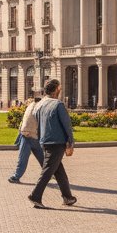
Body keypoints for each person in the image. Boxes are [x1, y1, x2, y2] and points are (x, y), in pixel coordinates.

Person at [27, 78, 77, 209]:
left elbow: (38, 124)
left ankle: (68, 197)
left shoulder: (39, 105)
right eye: (59, 88)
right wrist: (71, 142)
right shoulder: (58, 105)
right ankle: (35, 196)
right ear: (56, 90)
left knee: (59, 171)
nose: (60, 91)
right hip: (57, 143)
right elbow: (67, 125)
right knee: (48, 171)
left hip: (44, 141)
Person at [9, 96, 46, 183]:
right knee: (41, 158)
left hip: (27, 136)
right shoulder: (39, 108)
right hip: (32, 136)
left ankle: (16, 176)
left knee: (23, 158)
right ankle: (51, 174)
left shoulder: (31, 107)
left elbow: (23, 122)